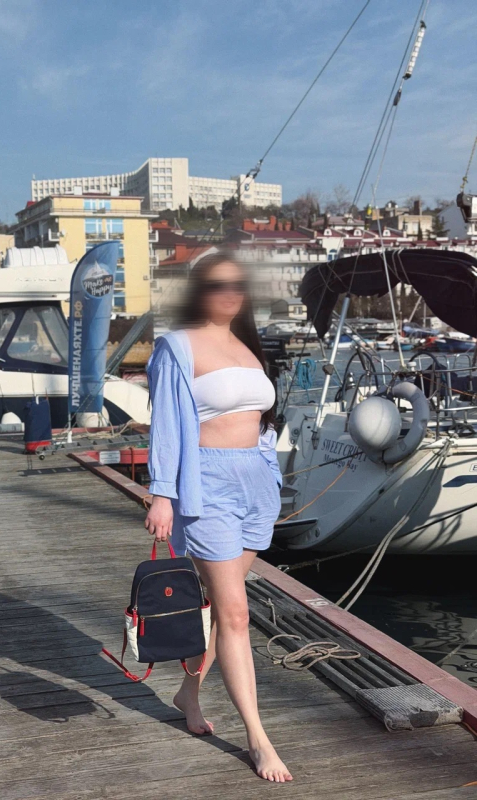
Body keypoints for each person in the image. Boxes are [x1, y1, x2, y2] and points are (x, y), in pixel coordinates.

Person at [144, 251, 292, 783]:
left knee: (222, 610)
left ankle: (188, 692)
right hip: (206, 485)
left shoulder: (247, 346)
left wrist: (270, 470)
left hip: (257, 483)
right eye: (216, 284)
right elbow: (165, 423)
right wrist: (162, 494)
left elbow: (259, 418)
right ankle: (258, 740)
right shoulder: (177, 346)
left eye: (237, 284)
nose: (229, 292)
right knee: (235, 614)